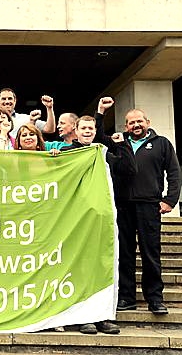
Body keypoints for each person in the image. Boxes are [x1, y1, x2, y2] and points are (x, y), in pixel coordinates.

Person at [95, 106, 181, 315]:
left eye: (139, 121)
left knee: (150, 253)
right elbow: (97, 136)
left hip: (149, 205)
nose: (136, 125)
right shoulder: (118, 143)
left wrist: (170, 200)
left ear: (147, 123)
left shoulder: (162, 144)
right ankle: (126, 297)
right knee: (124, 254)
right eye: (131, 123)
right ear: (126, 126)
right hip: (122, 206)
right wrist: (100, 113)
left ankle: (155, 299)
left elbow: (174, 172)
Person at [60, 114, 136, 335]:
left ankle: (103, 316)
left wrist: (122, 145)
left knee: (102, 268)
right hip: (75, 220)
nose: (87, 131)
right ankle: (84, 317)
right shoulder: (67, 153)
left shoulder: (104, 155)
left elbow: (130, 170)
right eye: (83, 128)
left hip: (101, 220)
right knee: (81, 267)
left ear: (95, 131)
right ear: (76, 129)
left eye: (91, 129)